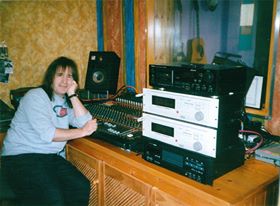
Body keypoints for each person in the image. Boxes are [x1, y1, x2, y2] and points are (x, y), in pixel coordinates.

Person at [1, 56, 98, 206]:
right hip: (20, 158)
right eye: (60, 75)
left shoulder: (64, 101)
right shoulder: (35, 96)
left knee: (80, 186)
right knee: (53, 199)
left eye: (69, 76)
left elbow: (86, 122)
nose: (65, 81)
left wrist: (72, 95)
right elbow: (49, 134)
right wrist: (82, 131)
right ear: (51, 77)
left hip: (47, 158)